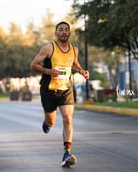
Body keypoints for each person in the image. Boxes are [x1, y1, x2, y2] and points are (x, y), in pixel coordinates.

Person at [30, 21, 89, 167]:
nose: (64, 32)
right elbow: (33, 65)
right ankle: (47, 123)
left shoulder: (74, 49)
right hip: (48, 90)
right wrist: (49, 71)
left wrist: (81, 70)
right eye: (61, 30)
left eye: (66, 30)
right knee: (52, 121)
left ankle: (66, 152)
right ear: (56, 33)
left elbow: (74, 63)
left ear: (69, 33)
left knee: (68, 119)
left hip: (66, 89)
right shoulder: (49, 48)